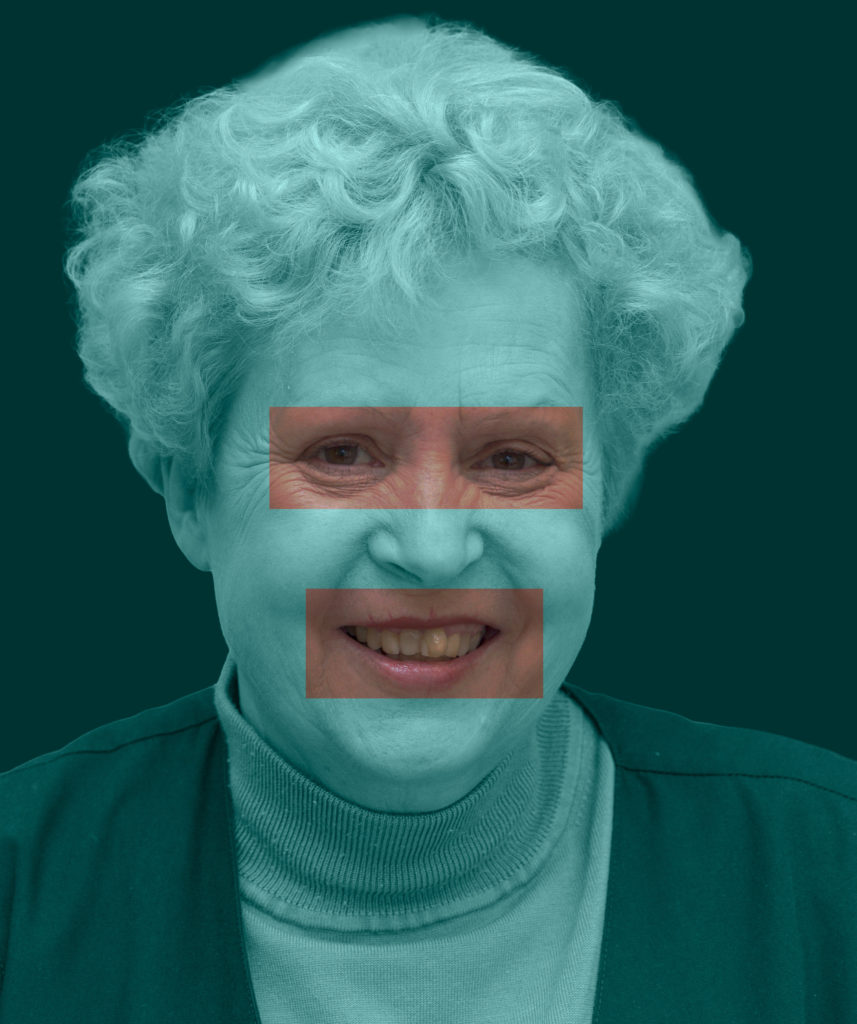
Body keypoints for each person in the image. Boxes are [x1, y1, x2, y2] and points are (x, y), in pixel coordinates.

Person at [1, 15, 854, 1023]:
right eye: (341, 454)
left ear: (603, 491)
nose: (433, 547)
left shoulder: (824, 873)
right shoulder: (21, 893)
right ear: (186, 493)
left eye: (512, 459)